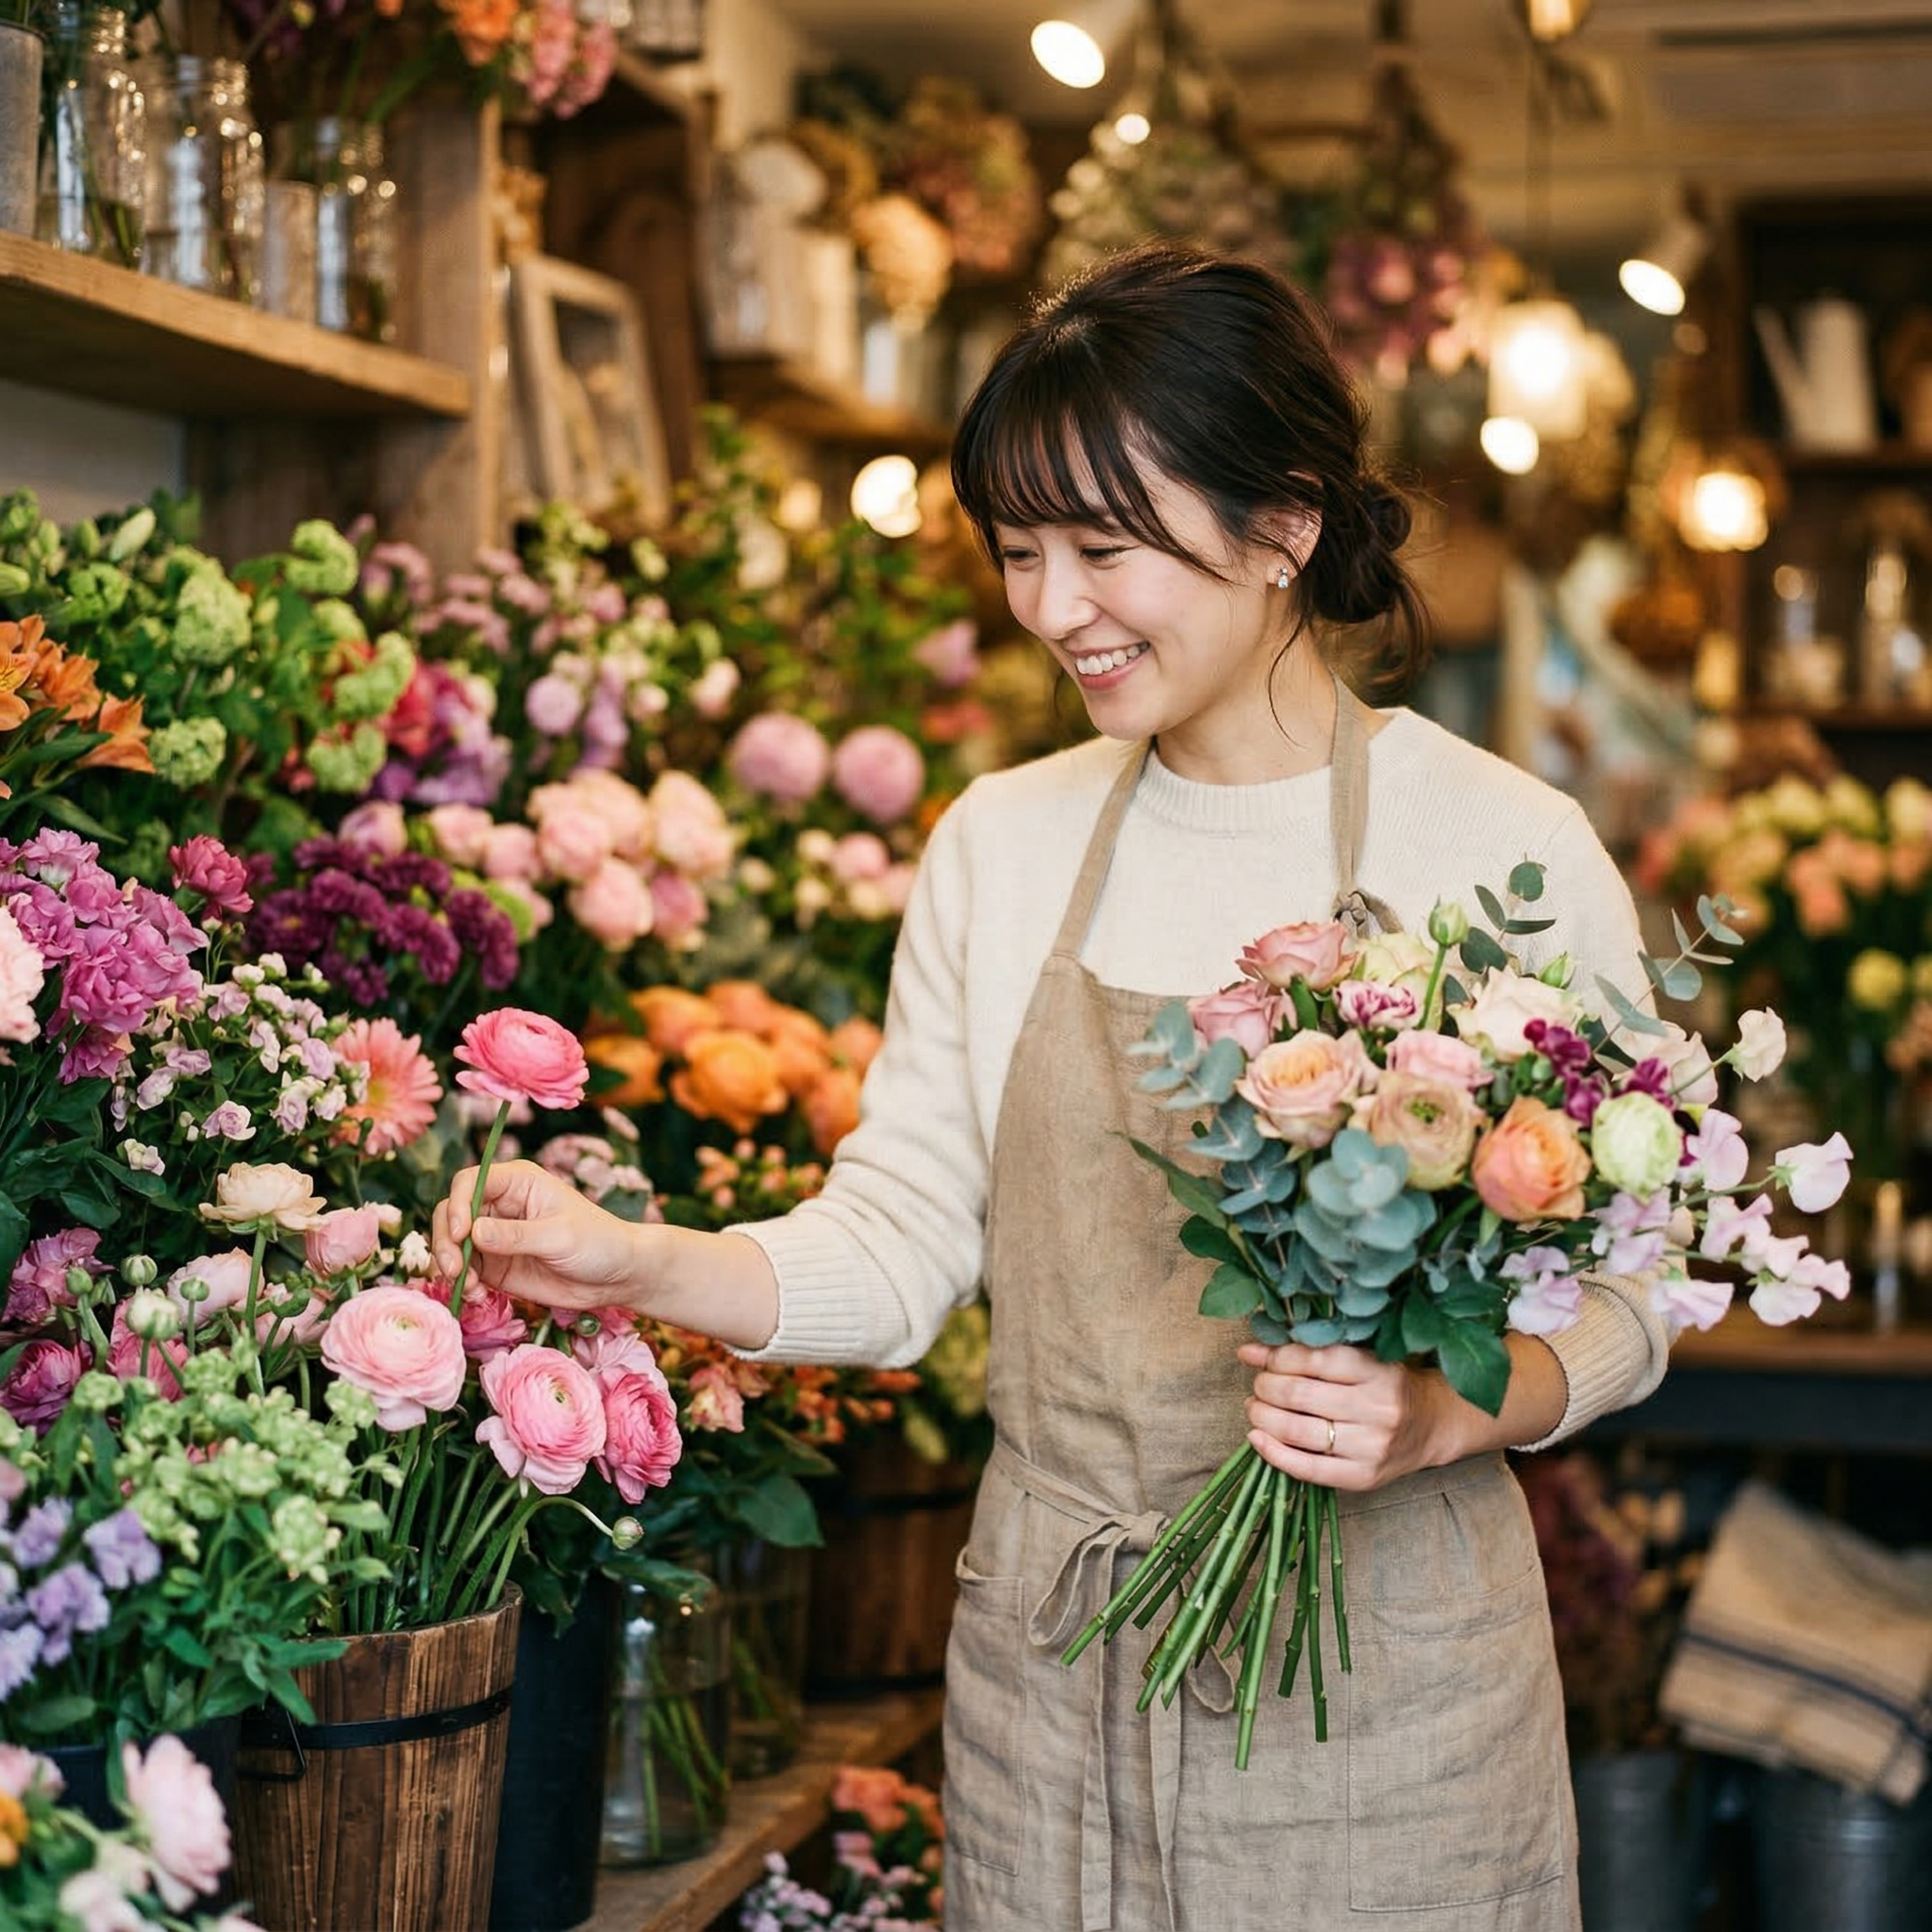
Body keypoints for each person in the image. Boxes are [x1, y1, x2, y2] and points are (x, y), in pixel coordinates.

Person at [433, 242, 1670, 1931]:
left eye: (1104, 547)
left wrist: (1456, 1407)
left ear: (1285, 524)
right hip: (1057, 1666)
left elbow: (1633, 1290)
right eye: (1019, 552)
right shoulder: (1000, 845)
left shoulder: (1506, 850)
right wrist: (641, 1264)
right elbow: (901, 1243)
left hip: (1394, 1696)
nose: (1049, 608)